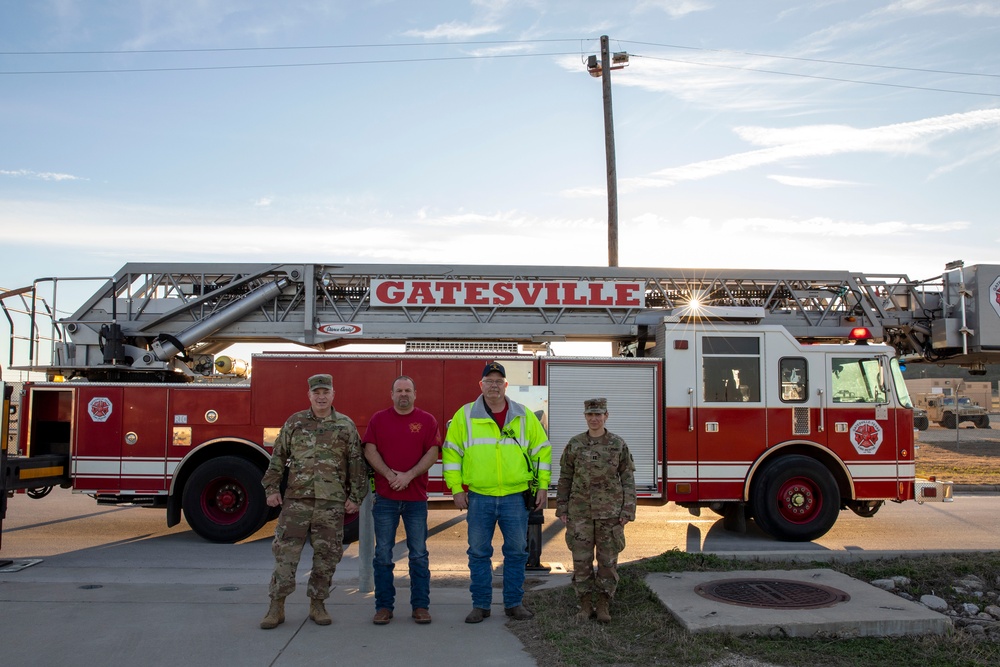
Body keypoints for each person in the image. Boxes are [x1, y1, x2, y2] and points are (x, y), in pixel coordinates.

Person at [443, 361, 551, 624]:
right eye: (488, 381)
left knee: (516, 553)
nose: (494, 385)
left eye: (498, 381)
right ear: (481, 385)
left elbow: (542, 452)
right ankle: (481, 605)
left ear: (506, 385)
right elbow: (451, 453)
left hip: (516, 496)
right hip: (479, 496)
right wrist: (456, 488)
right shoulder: (464, 415)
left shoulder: (524, 415)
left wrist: (543, 486)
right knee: (479, 553)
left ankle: (514, 604)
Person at [259, 373, 368, 629]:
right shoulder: (295, 422)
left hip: (330, 504)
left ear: (333, 395)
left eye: (325, 392)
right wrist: (271, 488)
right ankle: (276, 607)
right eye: (316, 393)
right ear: (309, 395)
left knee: (327, 556)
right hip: (297, 501)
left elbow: (356, 463)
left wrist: (356, 497)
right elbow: (278, 457)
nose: (321, 397)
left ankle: (318, 605)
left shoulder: (345, 426)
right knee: (285, 555)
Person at [363, 375, 441, 625]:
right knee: (383, 555)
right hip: (385, 499)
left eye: (408, 390)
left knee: (418, 555)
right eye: (399, 390)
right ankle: (384, 606)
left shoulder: (427, 420)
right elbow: (369, 449)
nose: (403, 394)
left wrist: (408, 476)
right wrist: (389, 475)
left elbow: (433, 451)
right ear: (392, 394)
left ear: (415, 394)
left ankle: (421, 606)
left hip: (416, 500)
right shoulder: (378, 419)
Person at [556, 398, 636, 624]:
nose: (594, 419)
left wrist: (627, 510)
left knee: (607, 561)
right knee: (581, 560)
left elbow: (628, 479)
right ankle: (584, 604)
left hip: (610, 514)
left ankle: (603, 603)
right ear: (585, 416)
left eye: (598, 414)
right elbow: (565, 478)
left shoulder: (617, 444)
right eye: (590, 415)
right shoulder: (575, 444)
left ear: (606, 416)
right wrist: (562, 507)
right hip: (579, 513)